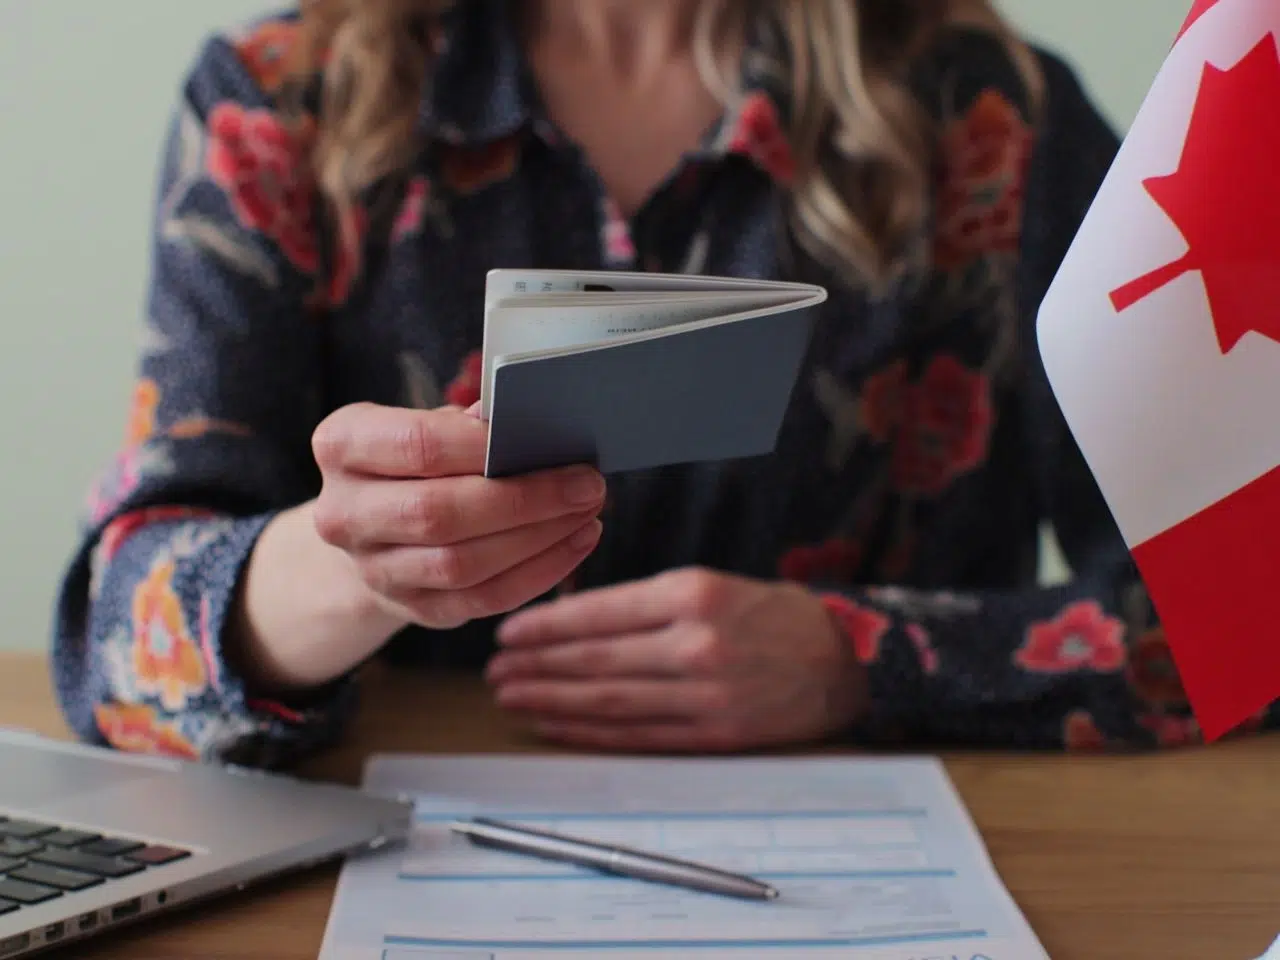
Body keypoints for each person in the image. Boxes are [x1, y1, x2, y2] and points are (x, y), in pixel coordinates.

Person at [50, 0, 1273, 769]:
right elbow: (114, 643)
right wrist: (354, 566)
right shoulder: (277, 102)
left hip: (884, 864)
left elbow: (1244, 613)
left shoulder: (992, 114)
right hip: (409, 860)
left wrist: (862, 658)